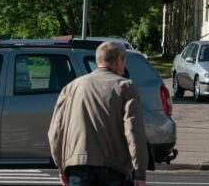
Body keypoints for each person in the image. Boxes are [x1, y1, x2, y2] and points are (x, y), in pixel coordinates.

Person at [48, 41, 148, 186]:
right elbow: (134, 131)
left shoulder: (70, 88)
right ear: (119, 59)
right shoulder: (125, 87)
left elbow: (55, 132)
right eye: (124, 60)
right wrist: (140, 172)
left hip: (77, 166)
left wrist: (61, 167)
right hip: (115, 168)